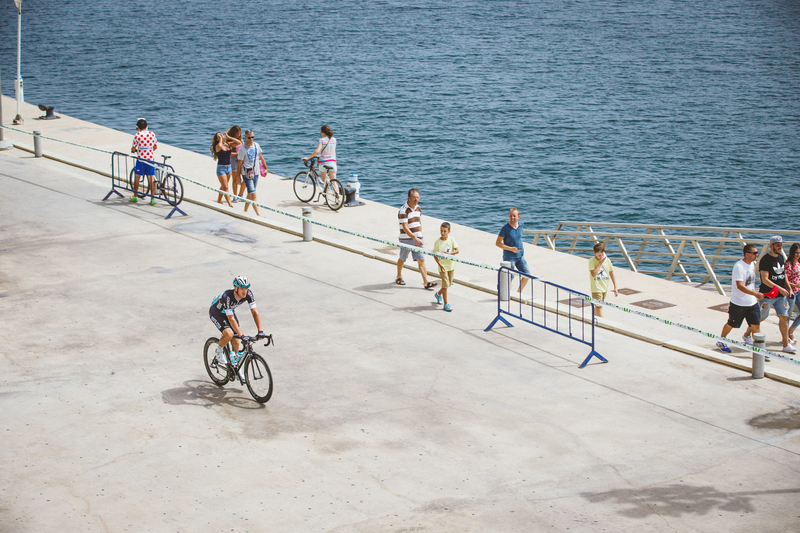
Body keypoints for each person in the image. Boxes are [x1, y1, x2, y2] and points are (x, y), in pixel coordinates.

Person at [209, 275, 265, 381]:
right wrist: (242, 335)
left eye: (246, 289)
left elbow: (254, 312)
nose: (245, 292)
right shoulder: (227, 296)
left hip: (229, 312)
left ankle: (235, 367)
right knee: (229, 334)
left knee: (237, 342)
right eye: (242, 289)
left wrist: (260, 330)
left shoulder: (248, 294)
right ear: (236, 288)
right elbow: (231, 319)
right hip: (217, 313)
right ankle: (219, 351)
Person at [717, 244, 764, 353]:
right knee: (731, 324)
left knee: (756, 326)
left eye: (757, 252)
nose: (756, 255)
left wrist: (754, 296)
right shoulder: (739, 266)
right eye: (754, 253)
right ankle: (721, 340)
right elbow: (740, 285)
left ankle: (760, 351)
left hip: (752, 303)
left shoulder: (752, 264)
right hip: (739, 303)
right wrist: (755, 293)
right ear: (747, 254)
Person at [758, 235, 796, 353]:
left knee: (783, 317)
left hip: (781, 296)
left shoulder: (780, 257)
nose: (780, 247)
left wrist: (789, 289)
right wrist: (779, 288)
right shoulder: (765, 260)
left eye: (781, 245)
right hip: (768, 294)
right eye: (778, 245)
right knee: (762, 317)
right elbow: (765, 280)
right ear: (771, 246)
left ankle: (785, 344)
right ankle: (748, 334)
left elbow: (783, 275)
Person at [396, 188, 438, 289]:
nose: (416, 199)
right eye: (414, 197)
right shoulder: (403, 210)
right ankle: (399, 276)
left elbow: (419, 222)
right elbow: (405, 227)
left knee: (421, 260)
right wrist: (414, 238)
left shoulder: (418, 208)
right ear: (409, 197)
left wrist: (420, 236)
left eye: (418, 197)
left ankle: (426, 282)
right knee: (402, 258)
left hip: (418, 238)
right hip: (406, 239)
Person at [495, 208, 530, 294]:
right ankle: (508, 294)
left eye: (514, 216)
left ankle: (518, 294)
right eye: (511, 216)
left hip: (520, 256)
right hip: (509, 257)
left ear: (518, 217)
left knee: (527, 275)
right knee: (509, 277)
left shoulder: (521, 225)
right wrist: (511, 249)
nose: (512, 218)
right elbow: (498, 243)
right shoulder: (505, 228)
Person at [236, 129, 267, 216]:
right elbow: (239, 164)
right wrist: (238, 177)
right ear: (245, 137)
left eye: (252, 137)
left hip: (256, 173)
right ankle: (258, 214)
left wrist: (265, 167)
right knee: (253, 194)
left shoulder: (256, 145)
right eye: (249, 137)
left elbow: (261, 157)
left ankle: (245, 211)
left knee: (250, 194)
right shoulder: (243, 149)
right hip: (247, 174)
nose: (251, 139)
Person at [433, 222, 459, 312]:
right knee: (445, 285)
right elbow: (435, 255)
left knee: (447, 285)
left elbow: (457, 250)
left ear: (449, 231)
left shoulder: (451, 239)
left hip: (451, 265)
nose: (442, 233)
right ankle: (446, 304)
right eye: (441, 231)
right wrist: (440, 265)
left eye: (444, 231)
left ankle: (438, 294)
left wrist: (449, 253)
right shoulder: (438, 242)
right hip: (443, 267)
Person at [130, 118, 157, 206]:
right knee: (151, 179)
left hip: (141, 159)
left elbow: (134, 147)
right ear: (146, 126)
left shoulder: (137, 135)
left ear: (138, 127)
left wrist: (133, 150)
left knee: (137, 177)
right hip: (150, 159)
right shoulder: (152, 134)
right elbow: (155, 146)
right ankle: (152, 199)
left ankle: (135, 196)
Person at [211, 131, 241, 208]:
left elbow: (238, 142)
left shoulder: (228, 144)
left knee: (223, 186)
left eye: (221, 135)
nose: (221, 136)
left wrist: (228, 137)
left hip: (228, 167)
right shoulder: (218, 146)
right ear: (217, 139)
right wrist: (221, 139)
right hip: (221, 168)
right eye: (219, 136)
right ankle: (230, 204)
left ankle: (219, 200)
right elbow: (220, 146)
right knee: (226, 187)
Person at [588, 242, 619, 318]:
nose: (601, 257)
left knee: (598, 306)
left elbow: (611, 273)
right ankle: (602, 321)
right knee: (599, 306)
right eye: (599, 255)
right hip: (596, 288)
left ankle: (595, 320)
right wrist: (600, 263)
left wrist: (615, 287)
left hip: (604, 288)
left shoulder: (607, 260)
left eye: (602, 254)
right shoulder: (591, 261)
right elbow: (593, 274)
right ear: (595, 253)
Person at [785, 242, 800, 345]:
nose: (798, 255)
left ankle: (791, 331)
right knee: (788, 314)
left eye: (799, 253)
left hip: (799, 291)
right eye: (796, 253)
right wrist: (794, 286)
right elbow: (785, 280)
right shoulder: (788, 264)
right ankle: (786, 335)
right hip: (791, 291)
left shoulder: (799, 263)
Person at [227, 126, 244, 202]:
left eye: (239, 134)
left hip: (241, 161)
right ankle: (235, 196)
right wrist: (238, 154)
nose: (239, 135)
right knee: (235, 179)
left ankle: (241, 194)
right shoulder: (229, 142)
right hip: (233, 162)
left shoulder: (241, 141)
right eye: (237, 134)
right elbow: (229, 154)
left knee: (246, 177)